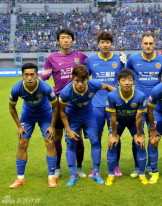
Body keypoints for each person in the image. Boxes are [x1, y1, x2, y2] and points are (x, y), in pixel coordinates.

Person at [40, 28, 88, 179]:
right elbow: (43, 78)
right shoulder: (51, 58)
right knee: (58, 136)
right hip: (59, 102)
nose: (66, 40)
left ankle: (79, 168)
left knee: (77, 135)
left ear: (72, 40)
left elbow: (95, 69)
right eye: (63, 38)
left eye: (68, 38)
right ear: (58, 40)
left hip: (77, 102)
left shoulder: (81, 56)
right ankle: (57, 168)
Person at [59, 65, 116, 186]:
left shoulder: (93, 84)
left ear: (87, 79)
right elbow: (61, 111)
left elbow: (106, 86)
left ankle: (96, 173)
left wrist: (118, 96)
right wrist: (68, 129)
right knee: (71, 143)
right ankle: (72, 175)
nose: (80, 84)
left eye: (83, 81)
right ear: (72, 79)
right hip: (72, 117)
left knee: (95, 141)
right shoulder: (66, 91)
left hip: (88, 115)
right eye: (77, 81)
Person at [9, 63, 58, 188]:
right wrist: (19, 126)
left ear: (37, 75)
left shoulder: (45, 87)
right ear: (22, 76)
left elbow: (55, 106)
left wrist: (52, 125)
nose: (29, 78)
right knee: (22, 143)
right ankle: (20, 178)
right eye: (26, 75)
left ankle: (51, 177)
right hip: (27, 116)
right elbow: (11, 107)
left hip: (45, 115)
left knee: (50, 141)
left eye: (32, 74)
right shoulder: (16, 88)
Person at [127, 33, 162, 177]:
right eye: (146, 43)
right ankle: (138, 166)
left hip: (155, 106)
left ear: (155, 44)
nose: (148, 46)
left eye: (151, 43)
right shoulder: (133, 59)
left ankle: (150, 165)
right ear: (141, 44)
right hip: (137, 105)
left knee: (153, 136)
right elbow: (127, 76)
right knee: (137, 135)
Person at [86, 31, 125, 177]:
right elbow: (84, 79)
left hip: (114, 104)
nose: (105, 45)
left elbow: (125, 78)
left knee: (115, 135)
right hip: (96, 105)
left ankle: (115, 166)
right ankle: (95, 167)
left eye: (107, 42)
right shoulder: (91, 60)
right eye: (102, 42)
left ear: (111, 44)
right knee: (96, 136)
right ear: (98, 44)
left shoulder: (119, 59)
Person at [105, 69, 148, 186]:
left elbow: (139, 117)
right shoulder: (112, 95)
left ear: (134, 82)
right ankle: (110, 174)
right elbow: (112, 117)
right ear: (118, 82)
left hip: (134, 122)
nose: (127, 83)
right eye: (123, 80)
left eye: (130, 80)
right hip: (118, 122)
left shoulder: (140, 95)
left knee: (140, 144)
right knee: (112, 143)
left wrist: (139, 134)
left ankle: (142, 173)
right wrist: (113, 134)